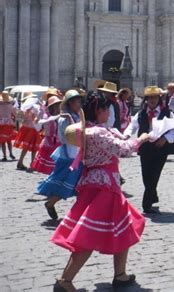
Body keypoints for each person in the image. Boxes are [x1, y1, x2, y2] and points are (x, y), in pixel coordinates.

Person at [51, 92, 149, 291]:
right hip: (104, 187)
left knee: (124, 225)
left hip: (97, 183)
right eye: (107, 108)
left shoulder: (89, 130)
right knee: (88, 234)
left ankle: (120, 274)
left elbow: (117, 139)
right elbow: (123, 148)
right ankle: (65, 280)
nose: (110, 111)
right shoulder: (98, 133)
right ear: (100, 111)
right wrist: (141, 139)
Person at [124, 86, 174, 214]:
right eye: (150, 98)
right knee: (146, 176)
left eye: (155, 97)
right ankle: (153, 196)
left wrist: (165, 138)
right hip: (144, 148)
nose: (152, 100)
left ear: (159, 99)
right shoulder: (141, 113)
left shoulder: (167, 112)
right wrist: (126, 135)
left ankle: (147, 205)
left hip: (160, 149)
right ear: (146, 100)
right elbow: (132, 126)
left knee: (154, 175)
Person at [37, 90, 84, 220]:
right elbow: (64, 137)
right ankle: (51, 203)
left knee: (80, 183)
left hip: (79, 152)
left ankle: (80, 212)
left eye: (80, 101)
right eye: (76, 101)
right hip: (71, 154)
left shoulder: (77, 115)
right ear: (70, 103)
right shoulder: (64, 118)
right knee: (71, 181)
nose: (79, 104)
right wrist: (72, 124)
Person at [31, 96, 62, 175]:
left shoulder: (61, 115)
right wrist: (37, 120)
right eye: (56, 105)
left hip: (58, 143)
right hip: (49, 143)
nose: (58, 106)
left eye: (58, 104)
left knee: (56, 167)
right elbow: (38, 128)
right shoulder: (47, 116)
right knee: (50, 168)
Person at [14, 93, 42, 170]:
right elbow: (37, 119)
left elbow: (19, 120)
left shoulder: (23, 108)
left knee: (25, 147)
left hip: (25, 128)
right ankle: (32, 164)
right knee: (34, 148)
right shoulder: (35, 108)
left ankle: (20, 162)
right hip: (33, 129)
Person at [0, 91, 17, 161]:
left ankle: (4, 156)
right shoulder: (11, 106)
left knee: (2, 141)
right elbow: (15, 114)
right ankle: (11, 152)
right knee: (9, 140)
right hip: (9, 123)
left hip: (1, 123)